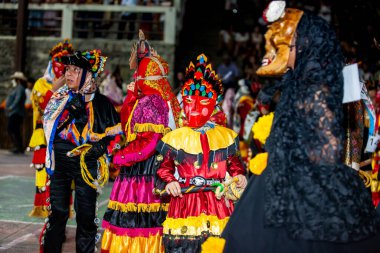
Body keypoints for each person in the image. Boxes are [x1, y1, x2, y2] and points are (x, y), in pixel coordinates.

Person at [219, 2, 380, 252]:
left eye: (290, 47)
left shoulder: (325, 83)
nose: (285, 52)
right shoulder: (298, 80)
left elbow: (341, 138)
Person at [156, 54, 247, 253]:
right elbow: (163, 169)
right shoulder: (174, 138)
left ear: (214, 104)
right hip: (186, 205)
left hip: (219, 204)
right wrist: (170, 181)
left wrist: (239, 176)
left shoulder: (227, 137)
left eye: (203, 101)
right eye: (189, 100)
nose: (194, 107)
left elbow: (236, 166)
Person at [101, 30, 180, 253]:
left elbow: (149, 143)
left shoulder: (151, 101)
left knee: (138, 223)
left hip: (144, 174)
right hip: (146, 169)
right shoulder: (154, 99)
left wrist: (119, 156)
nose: (134, 78)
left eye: (139, 75)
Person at [40, 49, 120, 253]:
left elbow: (117, 137)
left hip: (87, 162)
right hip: (60, 160)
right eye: (67, 69)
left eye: (75, 70)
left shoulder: (103, 104)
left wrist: (102, 146)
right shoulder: (60, 97)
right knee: (57, 212)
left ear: (88, 75)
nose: (68, 74)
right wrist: (69, 111)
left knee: (85, 215)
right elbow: (47, 124)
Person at [28, 39, 74, 218]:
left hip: (64, 137)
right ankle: (43, 209)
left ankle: (61, 210)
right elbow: (40, 110)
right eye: (58, 62)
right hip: (45, 137)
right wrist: (53, 91)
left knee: (63, 175)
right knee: (45, 174)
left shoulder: (72, 85)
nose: (61, 67)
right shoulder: (41, 83)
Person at [5, 71, 27, 154]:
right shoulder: (17, 87)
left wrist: (11, 107)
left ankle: (18, 146)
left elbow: (17, 99)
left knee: (12, 129)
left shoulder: (20, 88)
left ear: (17, 79)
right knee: (14, 129)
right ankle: (18, 146)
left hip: (16, 113)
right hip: (14, 112)